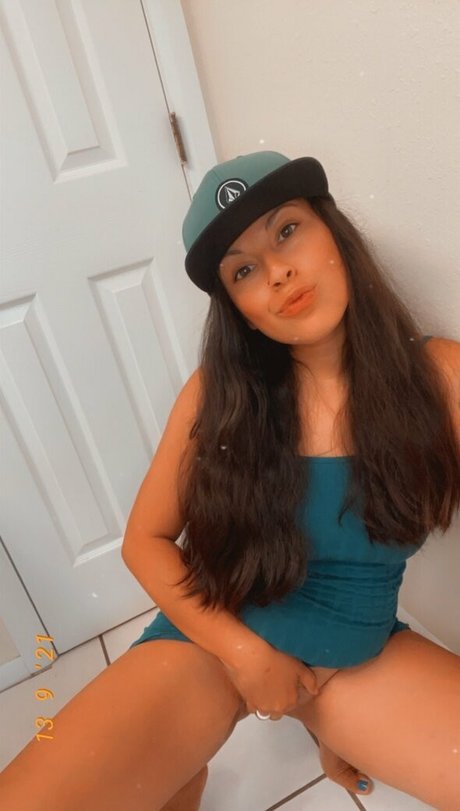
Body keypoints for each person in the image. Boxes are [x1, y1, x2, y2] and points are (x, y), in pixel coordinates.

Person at [1, 151, 459, 811]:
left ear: (334, 231)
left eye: (287, 230)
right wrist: (245, 654)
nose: (277, 272)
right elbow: (144, 542)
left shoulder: (441, 376)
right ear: (240, 310)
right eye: (243, 270)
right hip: (214, 638)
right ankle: (183, 774)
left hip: (354, 653)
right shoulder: (217, 395)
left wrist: (332, 720)